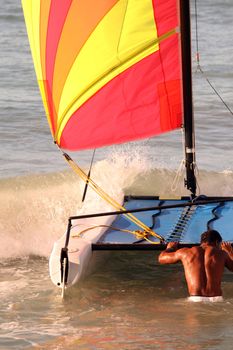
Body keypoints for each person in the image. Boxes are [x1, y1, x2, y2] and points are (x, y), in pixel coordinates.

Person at [158, 230, 233, 302]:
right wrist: (230, 252)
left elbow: (161, 258)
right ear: (217, 242)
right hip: (216, 299)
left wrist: (170, 248)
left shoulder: (186, 252)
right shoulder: (222, 254)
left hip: (195, 299)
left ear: (201, 242)